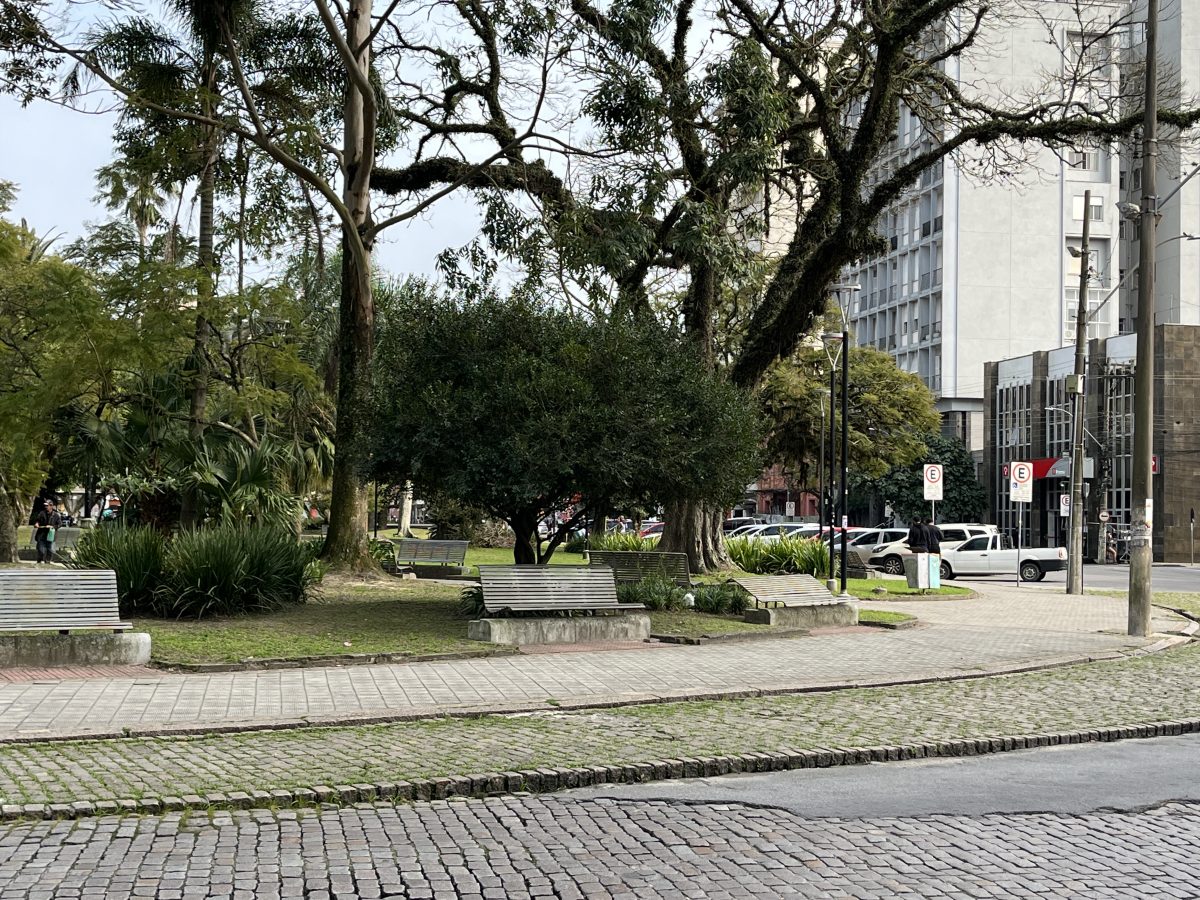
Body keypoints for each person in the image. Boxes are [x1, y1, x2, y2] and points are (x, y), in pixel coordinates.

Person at [33, 499, 62, 564]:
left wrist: (52, 526)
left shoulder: (56, 515)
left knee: (50, 549)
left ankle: (47, 561)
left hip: (51, 535)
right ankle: (39, 560)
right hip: (41, 534)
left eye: (47, 505)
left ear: (51, 506)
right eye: (45, 505)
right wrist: (36, 524)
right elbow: (37, 520)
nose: (46, 507)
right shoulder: (41, 513)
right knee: (41, 550)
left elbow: (60, 524)